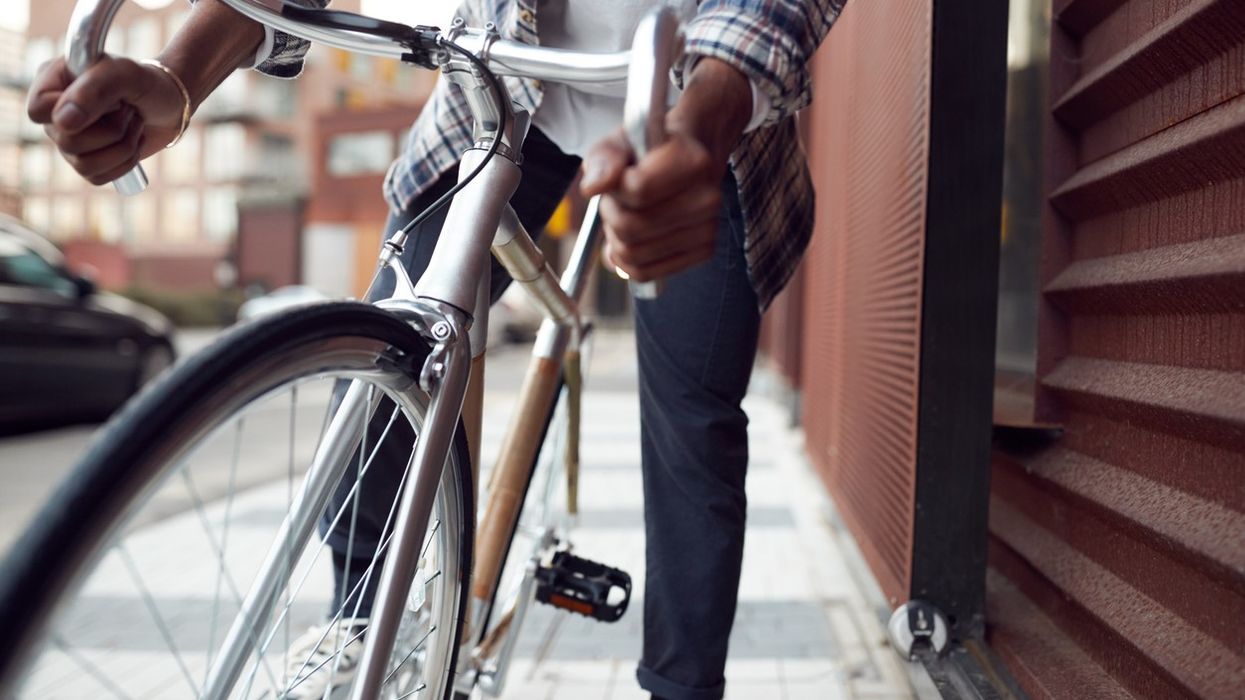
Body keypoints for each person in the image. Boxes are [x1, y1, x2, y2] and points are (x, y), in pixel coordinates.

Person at [27, 0, 846, 697]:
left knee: (691, 421)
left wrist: (703, 123)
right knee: (392, 342)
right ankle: (357, 620)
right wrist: (179, 80)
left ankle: (681, 687)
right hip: (507, 86)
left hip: (702, 100)